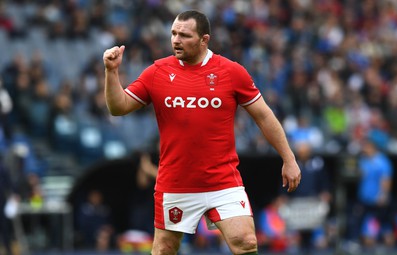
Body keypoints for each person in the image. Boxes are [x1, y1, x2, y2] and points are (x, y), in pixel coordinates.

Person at [103, 10, 301, 255]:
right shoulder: (157, 72)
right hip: (176, 183)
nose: (176, 40)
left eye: (184, 35)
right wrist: (111, 72)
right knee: (164, 249)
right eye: (173, 33)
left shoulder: (231, 72)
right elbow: (118, 107)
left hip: (222, 180)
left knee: (246, 241)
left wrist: (289, 158)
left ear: (204, 39)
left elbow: (264, 116)